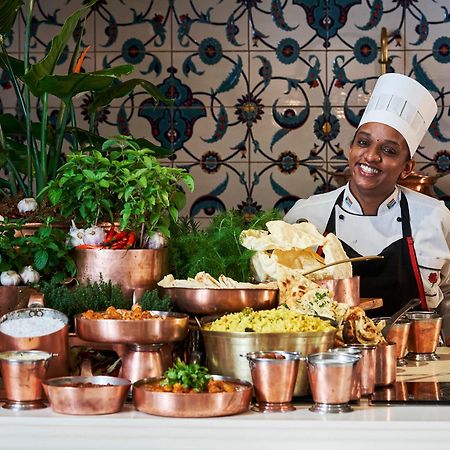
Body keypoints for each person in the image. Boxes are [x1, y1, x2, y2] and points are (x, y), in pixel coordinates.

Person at [284, 73, 450, 319]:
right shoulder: (305, 217)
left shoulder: (436, 218)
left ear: (407, 168)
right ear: (351, 149)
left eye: (388, 150)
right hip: (329, 355)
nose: (371, 156)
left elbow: (447, 298)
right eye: (363, 142)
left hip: (416, 355)